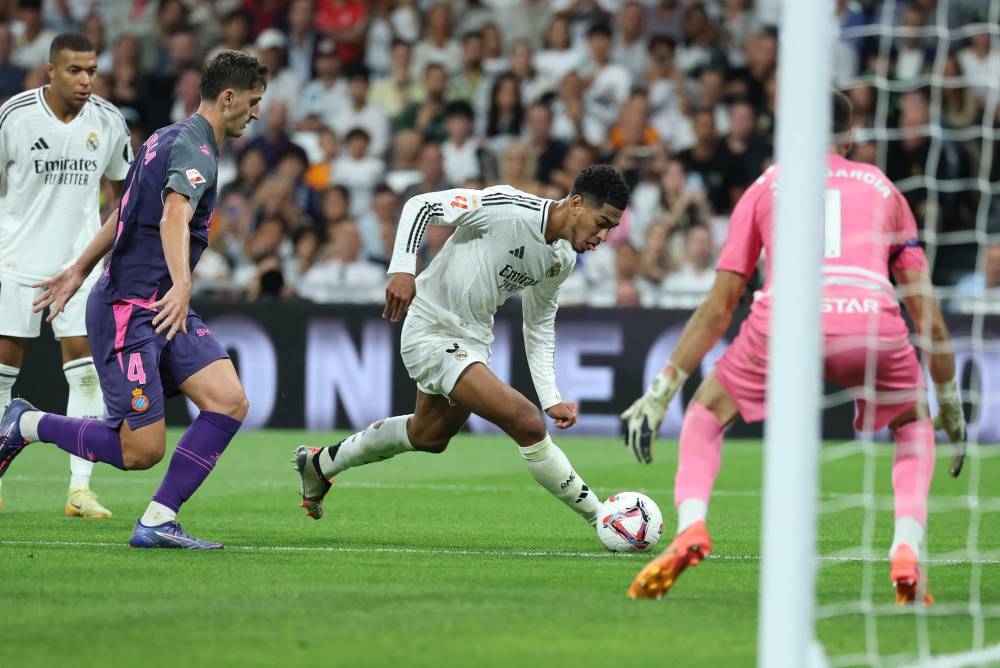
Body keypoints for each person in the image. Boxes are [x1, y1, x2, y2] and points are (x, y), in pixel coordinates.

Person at [620, 91, 966, 604]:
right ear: (849, 139)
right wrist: (949, 400)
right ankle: (905, 548)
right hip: (870, 321)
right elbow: (928, 317)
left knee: (706, 412)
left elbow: (720, 306)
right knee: (913, 423)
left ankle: (692, 526)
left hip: (786, 321)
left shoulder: (765, 186)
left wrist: (662, 388)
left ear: (794, 133)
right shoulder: (885, 188)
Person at [0, 51, 268, 549]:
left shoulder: (168, 137)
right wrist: (184, 285)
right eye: (253, 102)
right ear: (228, 97)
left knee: (229, 401)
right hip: (132, 311)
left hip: (160, 305)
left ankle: (157, 522)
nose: (256, 113)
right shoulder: (196, 149)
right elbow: (172, 216)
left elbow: (122, 211)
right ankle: (25, 423)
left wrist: (77, 269)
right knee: (140, 450)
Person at [293, 165, 630, 532]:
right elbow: (420, 206)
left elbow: (538, 324)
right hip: (430, 328)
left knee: (429, 435)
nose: (604, 235)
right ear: (577, 204)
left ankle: (321, 465)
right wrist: (404, 269)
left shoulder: (561, 259)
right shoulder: (508, 207)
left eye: (611, 228)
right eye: (602, 222)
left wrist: (551, 396)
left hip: (472, 340)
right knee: (527, 422)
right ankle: (603, 518)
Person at [0, 33, 133, 517]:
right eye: (75, 70)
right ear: (50, 70)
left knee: (87, 376)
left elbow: (127, 195)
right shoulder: (14, 116)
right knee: (2, 376)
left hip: (79, 269)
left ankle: (79, 489)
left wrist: (105, 254)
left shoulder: (109, 121)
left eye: (92, 71)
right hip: (15, 264)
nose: (85, 80)